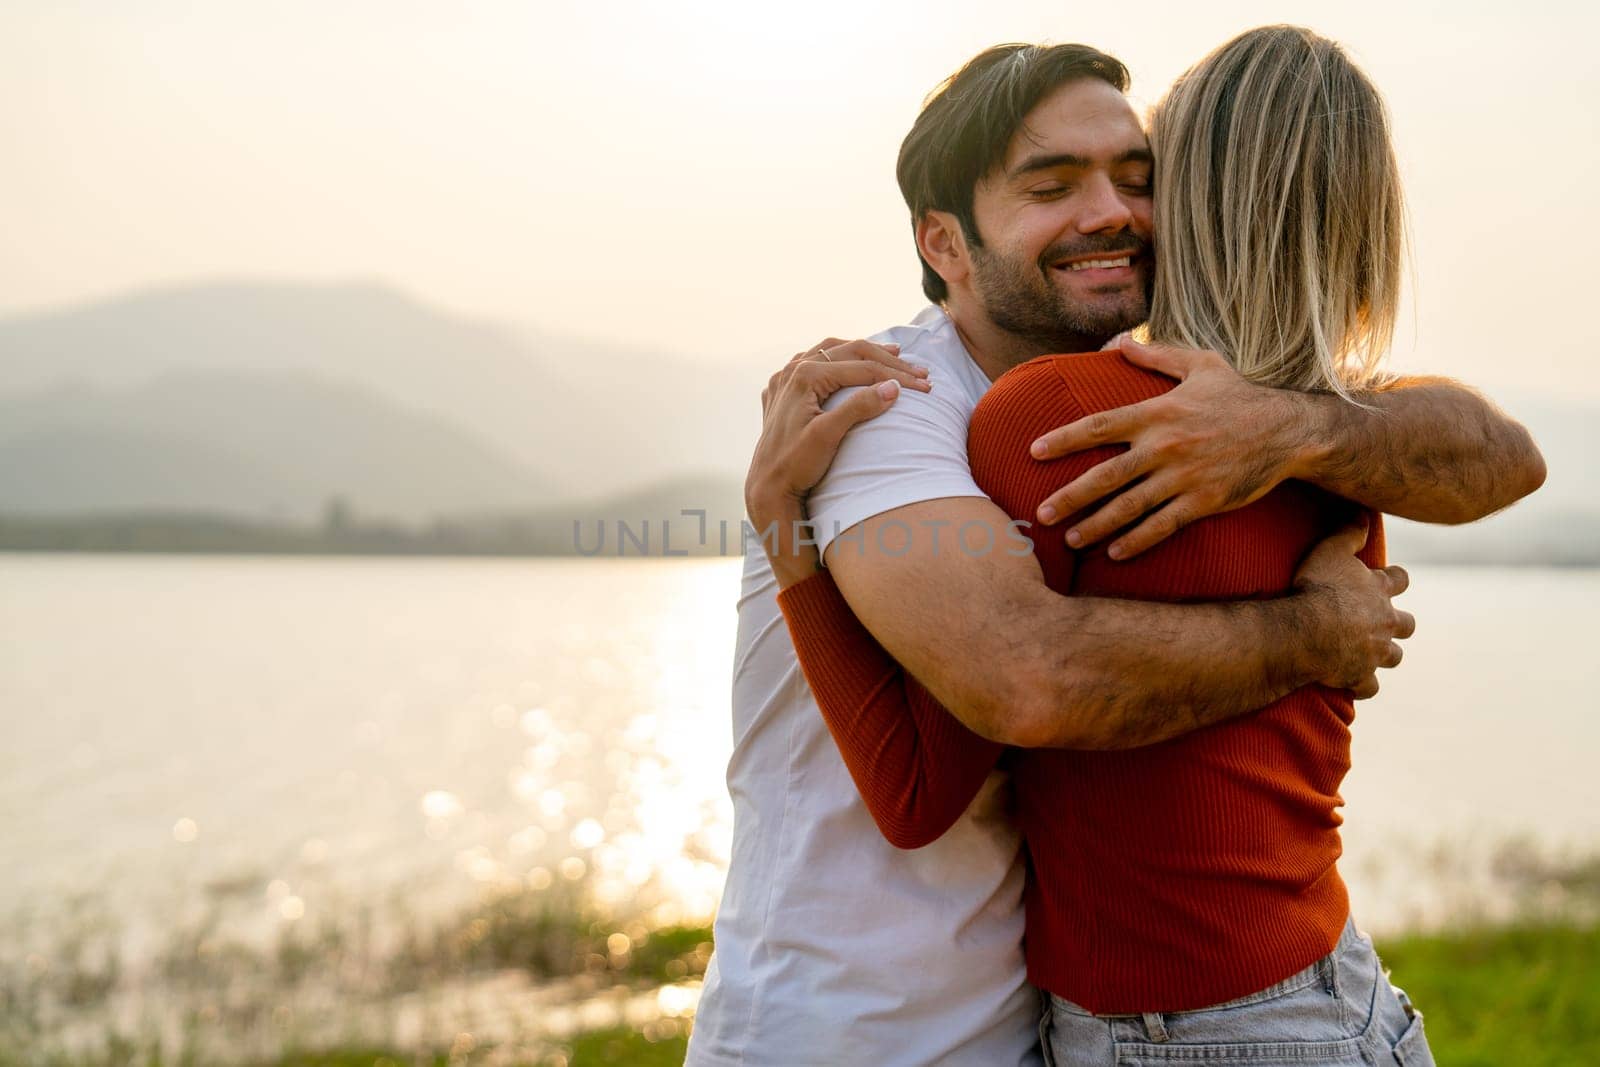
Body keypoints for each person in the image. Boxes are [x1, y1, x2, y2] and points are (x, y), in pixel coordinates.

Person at [688, 37, 1545, 1067]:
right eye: (1051, 184)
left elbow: (1503, 456)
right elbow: (1027, 681)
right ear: (945, 243)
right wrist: (1315, 625)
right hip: (855, 1032)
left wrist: (1293, 426)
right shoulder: (891, 408)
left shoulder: (1242, 417)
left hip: (1112, 1026)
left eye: (1136, 178)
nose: (1110, 212)